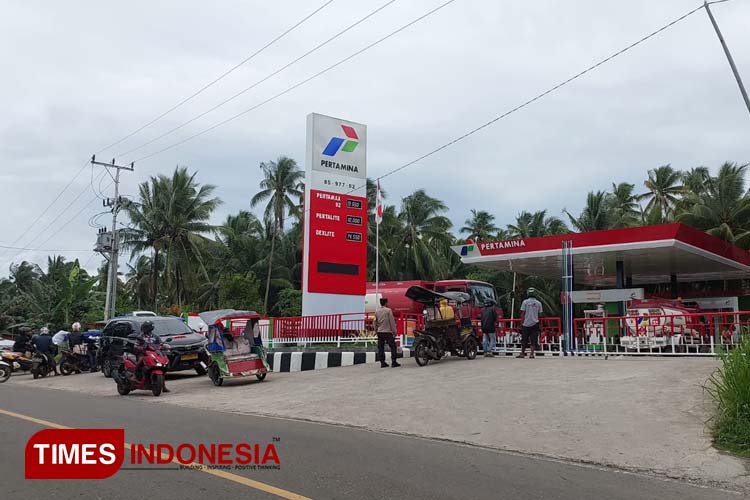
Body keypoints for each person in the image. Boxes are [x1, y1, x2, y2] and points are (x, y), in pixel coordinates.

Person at [134, 321, 170, 392]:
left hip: (154, 353)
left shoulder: (155, 337)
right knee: (141, 360)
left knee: (163, 364)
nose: (144, 329)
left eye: (145, 327)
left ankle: (163, 386)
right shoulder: (140, 337)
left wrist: (164, 346)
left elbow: (161, 344)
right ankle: (135, 375)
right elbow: (135, 345)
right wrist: (140, 348)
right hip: (143, 353)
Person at [374, 298, 400, 368]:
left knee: (381, 347)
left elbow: (374, 322)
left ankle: (382, 362)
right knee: (393, 347)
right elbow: (392, 322)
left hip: (380, 332)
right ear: (386, 303)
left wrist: (376, 330)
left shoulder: (377, 312)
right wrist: (394, 331)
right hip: (388, 332)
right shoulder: (388, 311)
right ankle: (394, 362)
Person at [518, 288, 543, 359]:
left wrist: (521, 323)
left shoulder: (525, 302)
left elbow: (522, 313)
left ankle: (522, 353)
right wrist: (540, 325)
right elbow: (540, 315)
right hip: (535, 324)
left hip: (526, 324)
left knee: (524, 340)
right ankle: (531, 354)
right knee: (533, 340)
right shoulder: (539, 303)